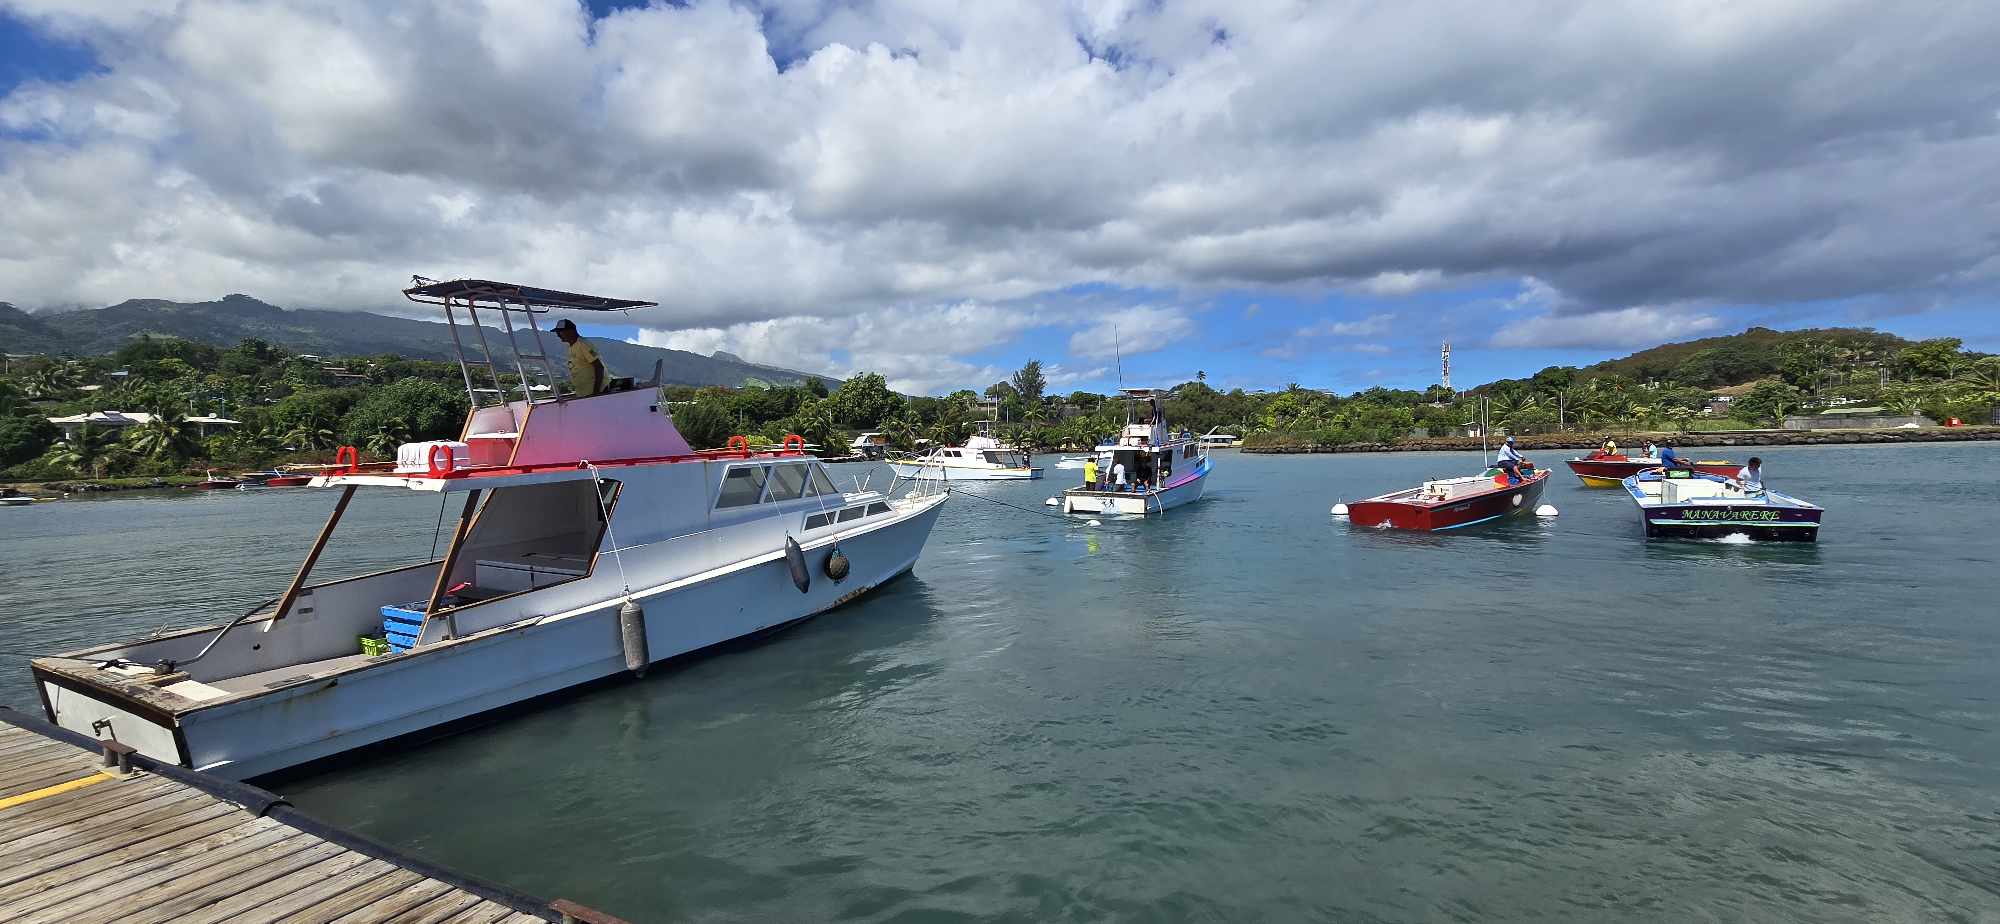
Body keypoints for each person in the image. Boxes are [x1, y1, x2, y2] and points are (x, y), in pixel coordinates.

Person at [552, 318, 606, 398]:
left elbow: (599, 367)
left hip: (593, 392)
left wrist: (596, 393)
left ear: (571, 331)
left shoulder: (583, 344)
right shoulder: (571, 346)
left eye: (560, 332)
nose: (558, 335)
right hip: (584, 393)